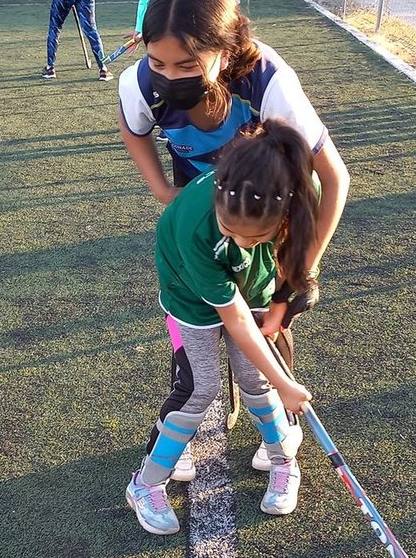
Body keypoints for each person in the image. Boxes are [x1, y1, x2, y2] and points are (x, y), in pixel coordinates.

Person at [117, 0, 350, 481]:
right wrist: (163, 191)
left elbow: (334, 179)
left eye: (187, 64)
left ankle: (279, 429)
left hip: (267, 223)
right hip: (202, 225)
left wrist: (301, 275)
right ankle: (184, 425)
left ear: (225, 50)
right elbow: (132, 127)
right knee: (197, 337)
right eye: (158, 62)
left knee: (266, 328)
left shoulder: (268, 82)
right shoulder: (139, 83)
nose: (170, 75)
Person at [126, 120, 316, 536]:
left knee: (255, 379)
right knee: (201, 388)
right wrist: (284, 382)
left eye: (255, 236)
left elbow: (303, 248)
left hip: (255, 283)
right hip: (190, 293)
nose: (239, 241)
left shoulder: (298, 187)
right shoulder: (197, 226)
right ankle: (145, 484)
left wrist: (281, 304)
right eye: (229, 230)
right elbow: (234, 318)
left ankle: (283, 459)